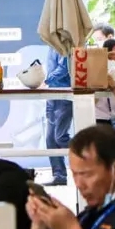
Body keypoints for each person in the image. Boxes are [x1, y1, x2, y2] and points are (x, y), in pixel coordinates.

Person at [44, 45, 72, 186]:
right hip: (51, 93)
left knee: (60, 137)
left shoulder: (64, 45)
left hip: (63, 94)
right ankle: (59, 175)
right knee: (50, 139)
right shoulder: (51, 46)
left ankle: (88, 152)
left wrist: (47, 80)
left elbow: (64, 68)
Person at [95, 38, 115, 141]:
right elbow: (92, 101)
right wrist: (102, 84)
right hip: (100, 119)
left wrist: (114, 86)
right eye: (114, 55)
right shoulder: (95, 74)